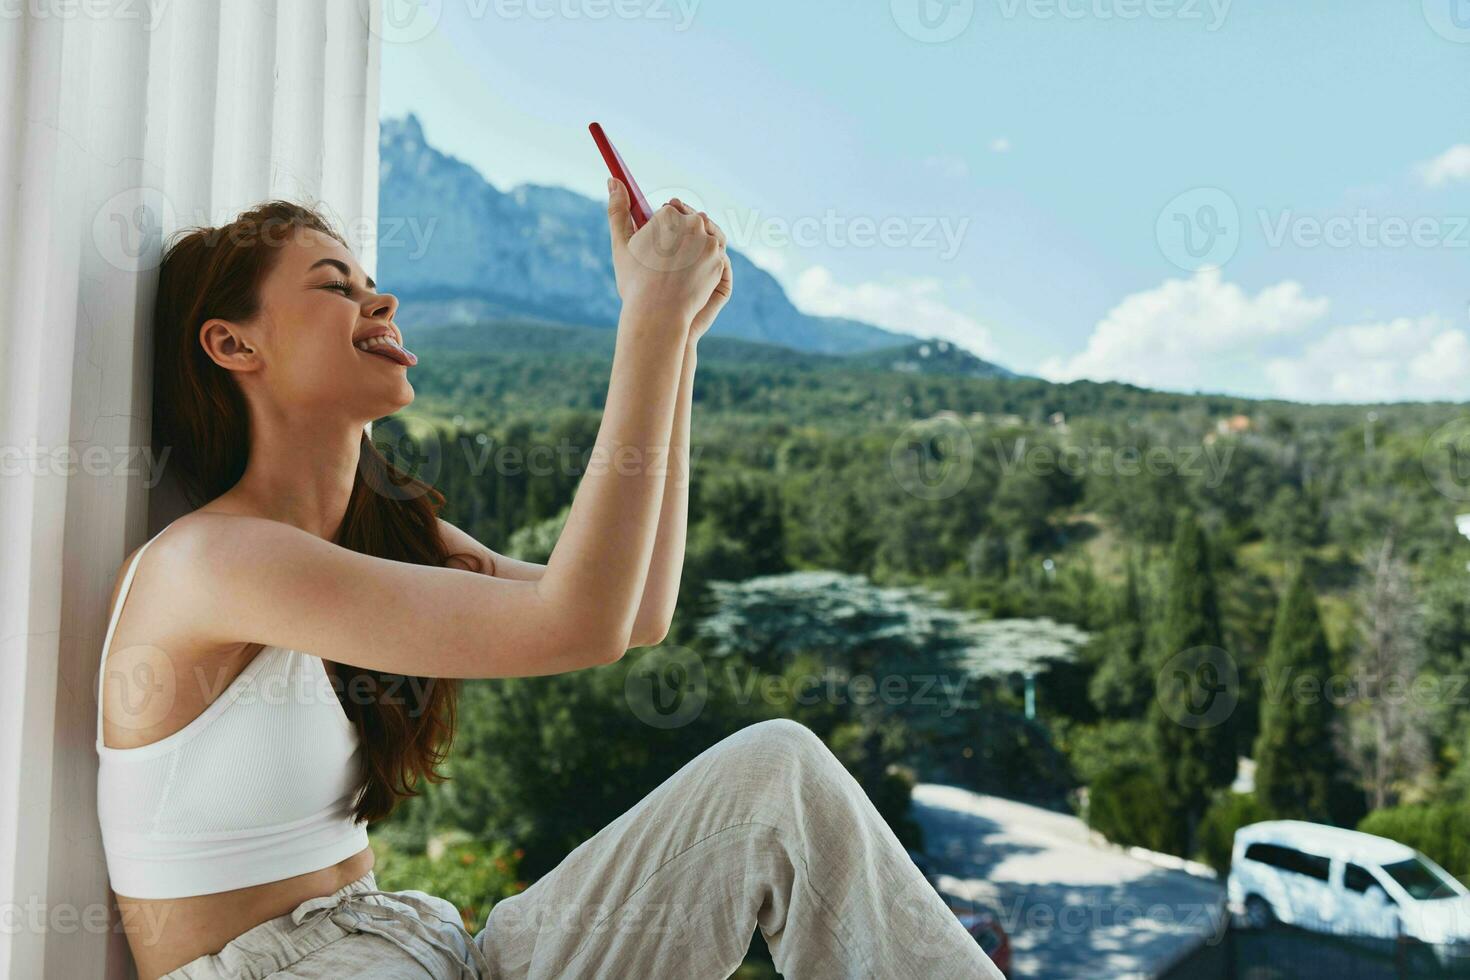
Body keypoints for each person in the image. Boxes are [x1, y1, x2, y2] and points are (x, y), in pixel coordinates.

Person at [95, 183, 1004, 979]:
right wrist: (644, 320)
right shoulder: (215, 562)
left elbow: (637, 611)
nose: (381, 298)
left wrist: (675, 336)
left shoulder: (374, 535)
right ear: (231, 344)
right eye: (337, 286)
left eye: (369, 282)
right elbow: (579, 623)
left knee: (778, 780)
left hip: (426, 950)